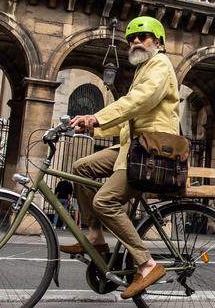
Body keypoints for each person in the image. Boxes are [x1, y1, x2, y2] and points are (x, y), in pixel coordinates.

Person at [62, 16, 180, 300]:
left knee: (105, 200)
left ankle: (146, 263)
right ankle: (95, 236)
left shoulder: (160, 66)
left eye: (144, 36)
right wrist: (93, 124)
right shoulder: (144, 68)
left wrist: (97, 115)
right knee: (80, 167)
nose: (136, 41)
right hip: (133, 146)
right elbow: (128, 117)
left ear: (159, 42)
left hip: (152, 151)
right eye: (132, 38)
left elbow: (139, 101)